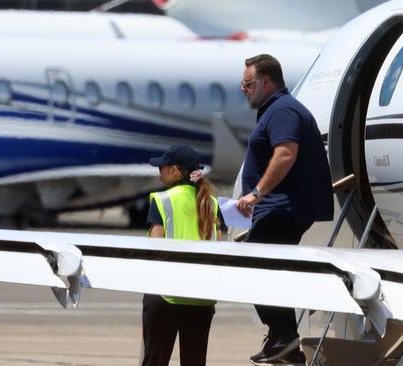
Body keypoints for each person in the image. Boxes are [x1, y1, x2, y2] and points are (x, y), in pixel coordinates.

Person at [236, 54, 334, 365]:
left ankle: (284, 336)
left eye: (248, 84)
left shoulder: (283, 110)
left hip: (284, 208)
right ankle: (285, 342)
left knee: (255, 266)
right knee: (267, 269)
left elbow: (285, 154)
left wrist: (256, 193)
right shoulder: (274, 110)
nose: (244, 90)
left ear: (266, 82)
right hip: (276, 208)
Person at [142, 144, 224, 366]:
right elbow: (221, 250)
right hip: (201, 297)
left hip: (165, 294)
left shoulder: (162, 200)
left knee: (154, 361)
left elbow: (154, 248)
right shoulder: (213, 203)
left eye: (163, 166)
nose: (159, 170)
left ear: (176, 170)